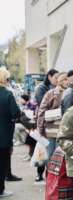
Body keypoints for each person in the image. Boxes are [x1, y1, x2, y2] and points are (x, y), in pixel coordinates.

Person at [33, 69, 59, 183]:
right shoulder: (42, 89)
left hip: (52, 126)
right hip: (45, 124)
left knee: (47, 152)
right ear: (49, 76)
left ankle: (49, 177)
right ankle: (40, 174)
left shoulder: (54, 88)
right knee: (44, 151)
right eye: (56, 77)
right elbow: (43, 107)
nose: (57, 80)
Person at [37, 72, 68, 160]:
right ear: (59, 81)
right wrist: (40, 129)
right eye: (64, 79)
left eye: (67, 79)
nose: (67, 81)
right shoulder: (51, 93)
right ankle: (50, 174)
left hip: (63, 131)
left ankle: (56, 174)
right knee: (50, 155)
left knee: (60, 157)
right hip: (51, 130)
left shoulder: (70, 93)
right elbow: (41, 111)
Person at [0, 67, 21, 198]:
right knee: (2, 163)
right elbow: (15, 113)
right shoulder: (7, 94)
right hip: (4, 136)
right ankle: (0, 190)